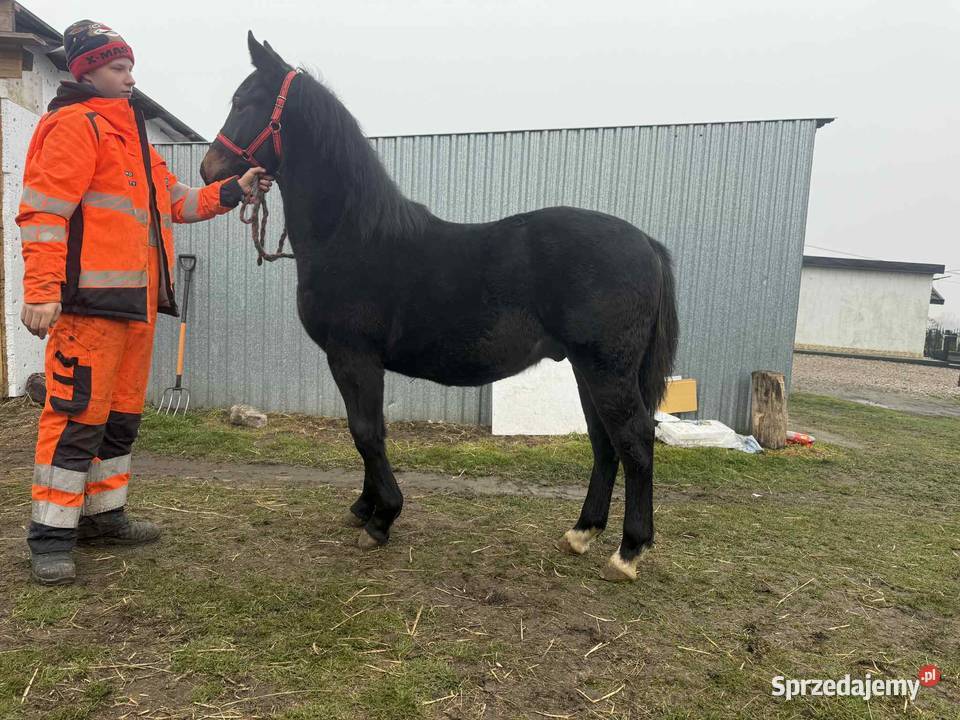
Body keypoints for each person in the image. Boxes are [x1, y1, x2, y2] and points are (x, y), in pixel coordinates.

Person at [17, 20, 272, 585]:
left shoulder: (132, 135)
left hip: (136, 308)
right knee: (75, 420)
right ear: (86, 71)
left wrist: (236, 189)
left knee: (118, 422)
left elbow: (179, 203)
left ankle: (103, 519)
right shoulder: (72, 127)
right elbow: (43, 213)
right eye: (118, 68)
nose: (130, 78)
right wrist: (40, 291)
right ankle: (51, 535)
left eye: (130, 67)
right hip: (85, 309)